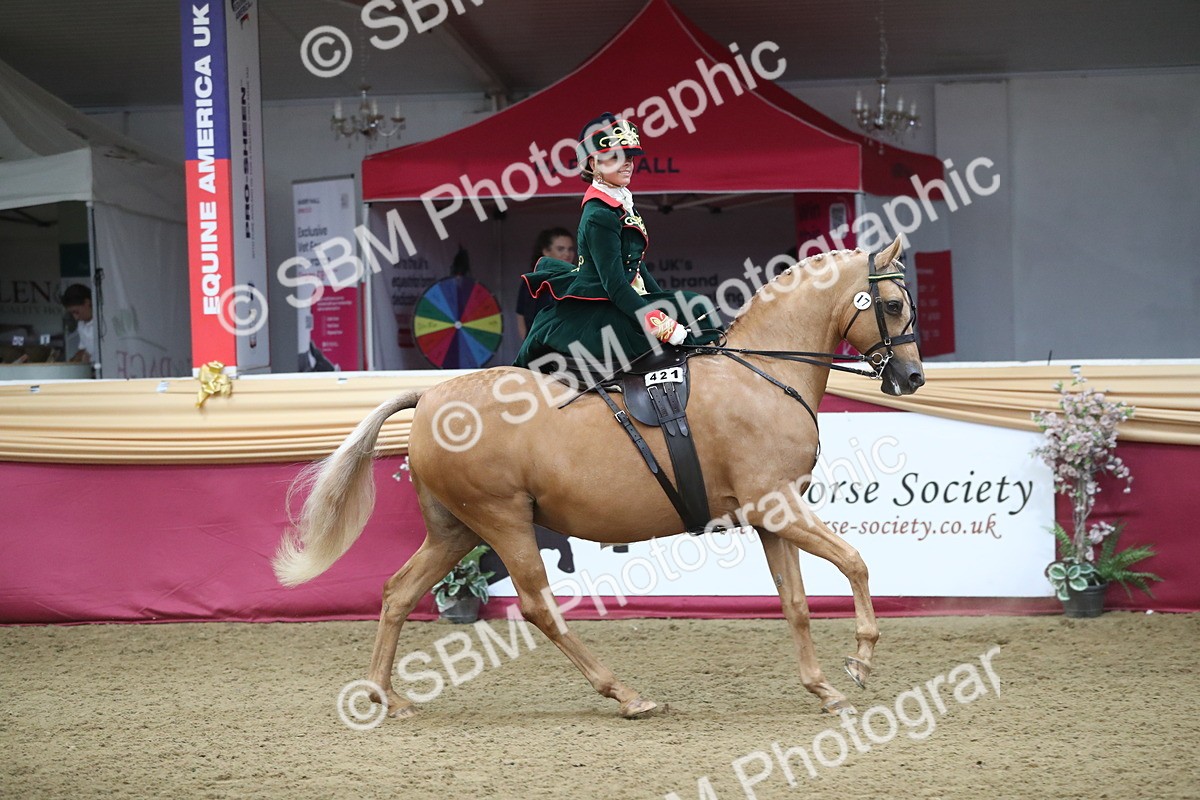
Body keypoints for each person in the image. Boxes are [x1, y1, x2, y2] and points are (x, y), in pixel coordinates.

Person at [514, 113, 719, 372]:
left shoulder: (621, 202)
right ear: (593, 164)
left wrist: (661, 300)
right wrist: (662, 324)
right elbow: (615, 286)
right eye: (616, 157)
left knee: (696, 306)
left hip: (622, 299)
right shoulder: (599, 214)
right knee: (686, 321)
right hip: (601, 308)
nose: (628, 165)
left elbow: (637, 266)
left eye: (630, 158)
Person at [515, 228, 576, 340]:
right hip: (537, 345)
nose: (567, 254)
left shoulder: (579, 279)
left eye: (570, 249)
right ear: (546, 251)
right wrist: (527, 344)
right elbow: (521, 314)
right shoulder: (531, 279)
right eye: (560, 249)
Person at [61, 283, 95, 364]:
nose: (75, 317)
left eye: (76, 312)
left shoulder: (104, 323)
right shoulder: (81, 325)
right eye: (72, 313)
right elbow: (83, 349)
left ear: (87, 303)